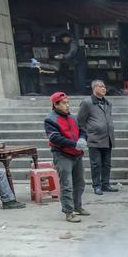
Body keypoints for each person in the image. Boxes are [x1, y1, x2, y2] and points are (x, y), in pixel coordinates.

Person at [45, 91, 89, 222]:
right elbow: (55, 138)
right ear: (55, 104)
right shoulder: (50, 119)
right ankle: (68, 211)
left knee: (80, 182)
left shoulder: (73, 117)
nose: (67, 105)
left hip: (77, 154)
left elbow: (82, 130)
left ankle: (77, 206)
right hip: (62, 154)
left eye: (68, 102)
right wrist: (74, 144)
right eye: (64, 103)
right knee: (67, 184)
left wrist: (82, 139)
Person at [77, 79, 117, 195]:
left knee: (107, 163)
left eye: (104, 87)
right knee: (96, 164)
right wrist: (86, 134)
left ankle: (106, 184)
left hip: (107, 138)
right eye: (101, 86)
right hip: (94, 138)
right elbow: (80, 121)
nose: (104, 89)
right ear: (94, 88)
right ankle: (97, 185)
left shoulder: (108, 103)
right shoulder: (87, 102)